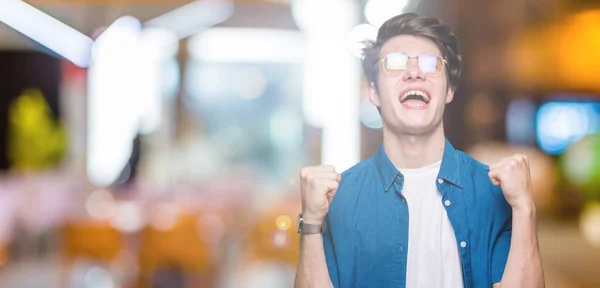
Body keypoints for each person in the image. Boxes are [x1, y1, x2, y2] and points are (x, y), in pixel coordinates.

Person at [294, 13, 544, 288]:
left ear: (449, 89)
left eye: (430, 63)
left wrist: (524, 208)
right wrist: (311, 224)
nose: (414, 72)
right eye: (396, 63)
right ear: (374, 92)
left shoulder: (492, 192)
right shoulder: (338, 199)